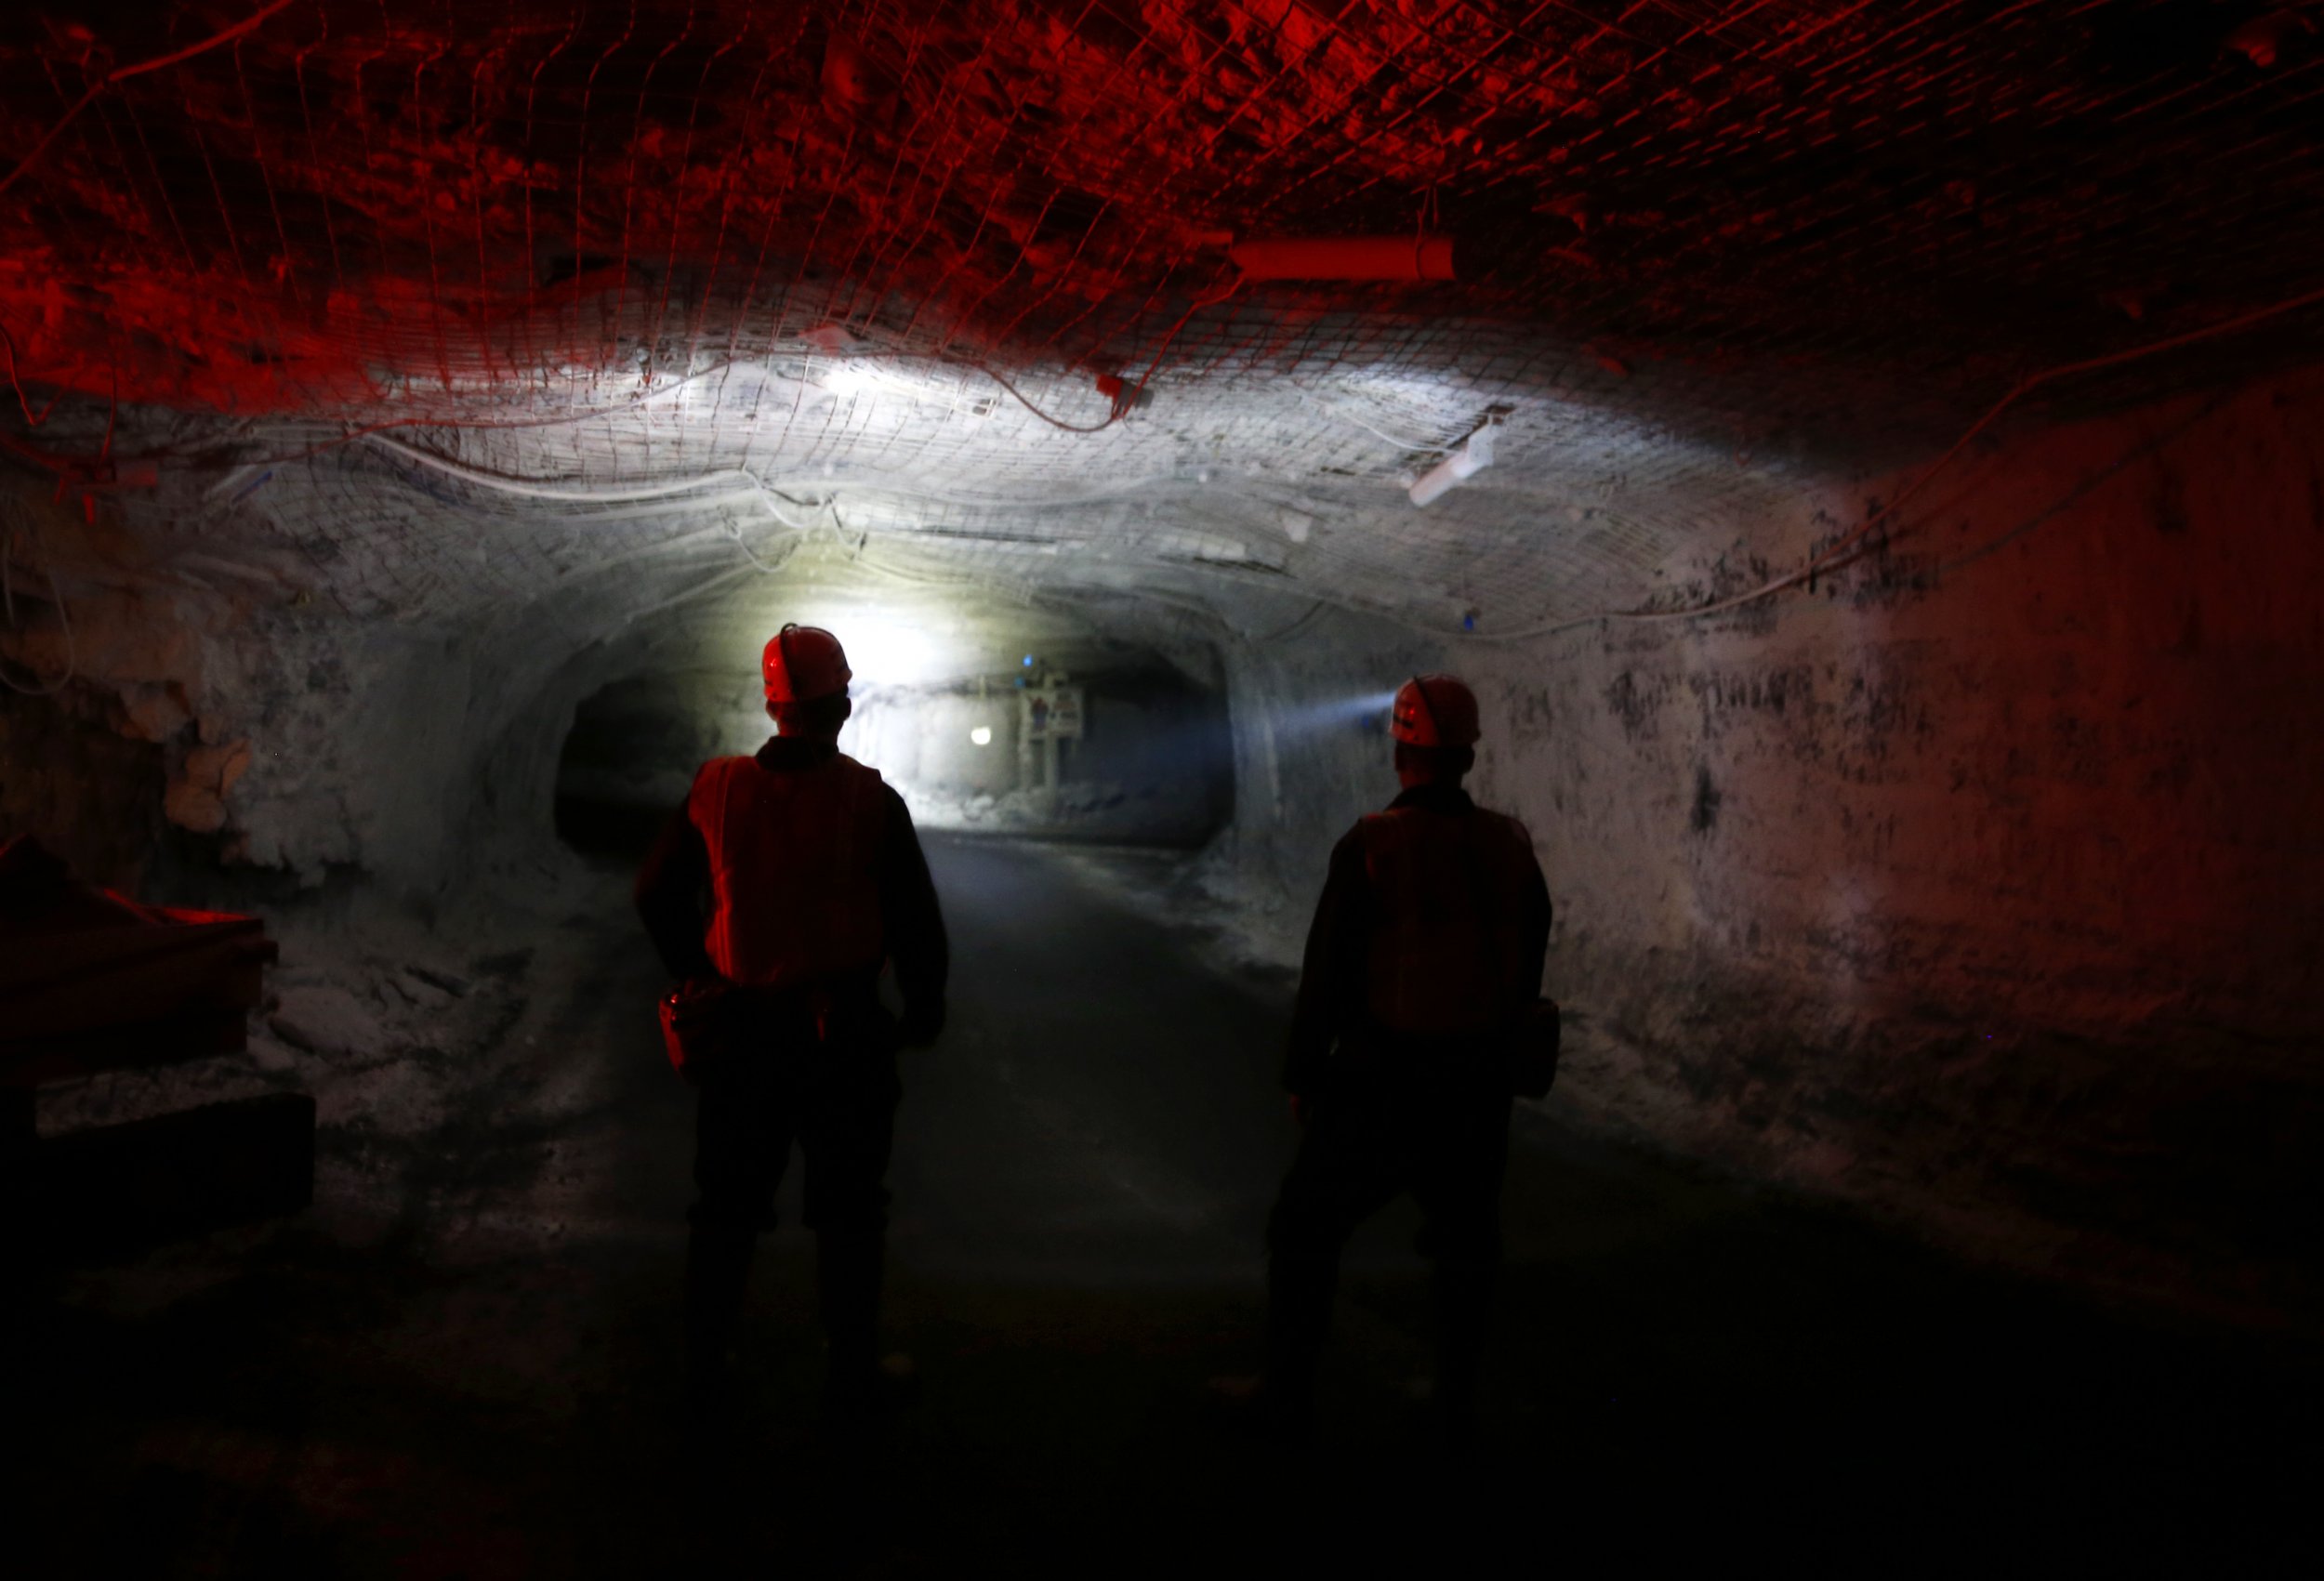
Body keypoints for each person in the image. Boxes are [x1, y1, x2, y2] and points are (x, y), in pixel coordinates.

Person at [634, 623, 948, 1422]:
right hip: (841, 1035)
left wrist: (698, 974)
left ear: (773, 705)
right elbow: (914, 920)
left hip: (741, 1034)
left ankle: (704, 1372)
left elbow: (655, 893)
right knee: (848, 1214)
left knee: (726, 1209)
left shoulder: (717, 786)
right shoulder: (871, 800)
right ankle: (849, 1374)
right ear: (841, 703)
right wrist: (921, 1009)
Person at [1241, 673, 1551, 1449]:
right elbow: (1528, 958)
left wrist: (1306, 1075)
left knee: (1305, 1227)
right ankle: (1456, 1402)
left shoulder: (1374, 842)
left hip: (1385, 1078)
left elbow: (1329, 972)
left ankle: (1286, 1399)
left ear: (1401, 748)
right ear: (1468, 756)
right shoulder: (1511, 847)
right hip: (1477, 1083)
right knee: (1466, 1240)